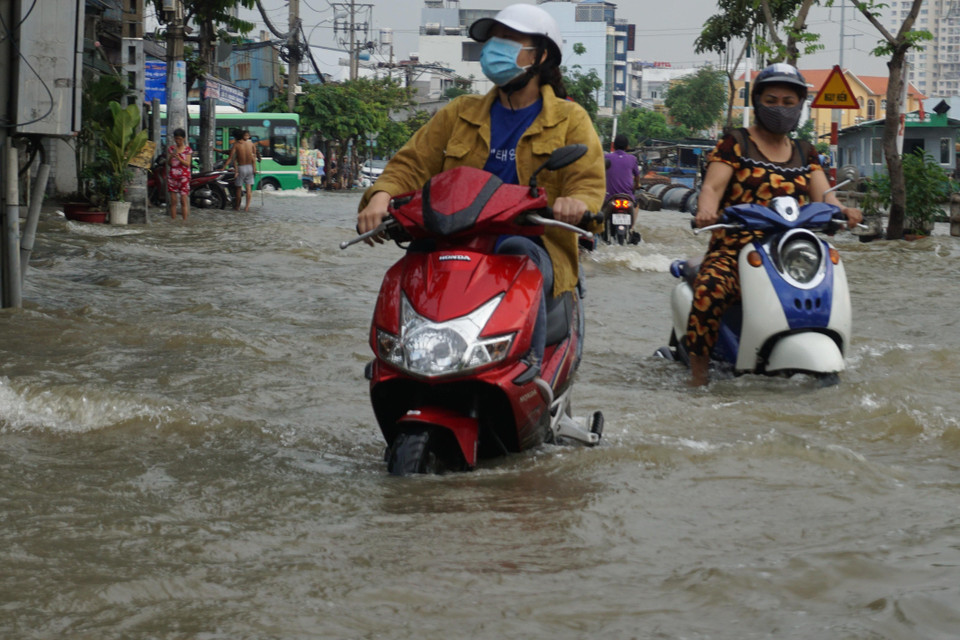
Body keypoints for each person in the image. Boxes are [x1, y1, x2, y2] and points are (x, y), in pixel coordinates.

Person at [356, 3, 605, 367]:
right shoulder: (459, 112)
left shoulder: (570, 118)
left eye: (508, 39)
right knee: (413, 260)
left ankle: (528, 371)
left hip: (531, 243)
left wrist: (578, 203)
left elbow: (587, 181)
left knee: (519, 254)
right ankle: (394, 362)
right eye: (493, 39)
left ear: (541, 55)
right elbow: (411, 163)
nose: (494, 48)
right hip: (453, 240)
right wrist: (380, 197)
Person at [685, 63, 863, 386]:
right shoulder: (736, 143)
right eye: (771, 101)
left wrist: (844, 212)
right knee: (710, 290)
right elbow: (712, 187)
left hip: (792, 251)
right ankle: (698, 377)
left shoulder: (806, 152)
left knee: (832, 289)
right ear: (757, 102)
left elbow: (825, 195)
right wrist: (707, 211)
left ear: (799, 106)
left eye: (788, 102)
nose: (780, 108)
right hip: (736, 249)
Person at [225, 129, 258, 211]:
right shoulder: (251, 144)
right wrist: (254, 168)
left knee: (238, 188)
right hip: (250, 167)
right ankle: (247, 207)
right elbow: (254, 157)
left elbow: (230, 158)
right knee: (248, 188)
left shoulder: (236, 145)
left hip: (241, 167)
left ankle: (237, 207)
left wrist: (223, 167)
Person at [604, 133, 640, 200]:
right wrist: (636, 185)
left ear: (613, 146)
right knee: (636, 204)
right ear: (627, 147)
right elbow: (637, 176)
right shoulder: (633, 158)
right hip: (627, 196)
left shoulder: (606, 157)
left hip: (609, 196)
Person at [166, 128, 192, 221]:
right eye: (176, 139)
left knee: (183, 200)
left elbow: (188, 164)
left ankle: (184, 222)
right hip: (172, 177)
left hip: (184, 177)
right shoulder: (171, 149)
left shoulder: (187, 150)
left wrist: (179, 158)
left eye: (180, 139)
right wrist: (171, 157)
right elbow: (169, 164)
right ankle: (173, 221)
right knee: (173, 201)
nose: (178, 141)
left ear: (184, 138)